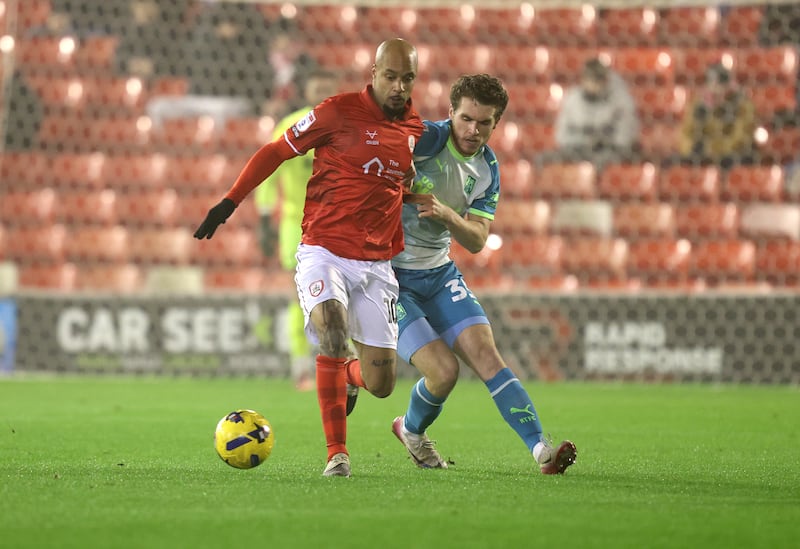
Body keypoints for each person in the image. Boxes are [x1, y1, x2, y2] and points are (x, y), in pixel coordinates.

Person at [194, 38, 424, 478]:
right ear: (372, 73)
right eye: (390, 76)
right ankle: (337, 454)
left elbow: (398, 182)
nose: (398, 86)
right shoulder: (336, 111)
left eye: (407, 78)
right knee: (332, 332)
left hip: (376, 264)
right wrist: (230, 201)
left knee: (381, 383)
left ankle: (347, 377)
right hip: (323, 249)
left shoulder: (414, 128)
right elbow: (275, 151)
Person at [382, 74, 577, 474]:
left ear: (496, 123)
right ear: (451, 113)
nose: (473, 130)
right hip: (392, 278)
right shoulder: (424, 140)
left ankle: (542, 450)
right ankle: (410, 429)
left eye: (484, 123)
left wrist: (447, 214)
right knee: (445, 373)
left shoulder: (488, 169)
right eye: (466, 118)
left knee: (488, 357)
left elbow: (476, 241)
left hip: (439, 275)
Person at [254, 69, 341, 392]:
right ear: (305, 89)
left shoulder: (347, 125)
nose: (321, 89)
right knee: (300, 298)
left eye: (327, 84)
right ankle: (302, 370)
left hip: (339, 223)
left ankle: (345, 366)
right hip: (297, 223)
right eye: (316, 83)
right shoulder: (291, 125)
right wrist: (265, 219)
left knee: (343, 296)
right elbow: (268, 170)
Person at [538, 58, 639, 170]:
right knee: (543, 159)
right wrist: (585, 141)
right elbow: (561, 136)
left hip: (607, 151)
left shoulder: (621, 100)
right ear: (583, 79)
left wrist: (604, 141)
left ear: (605, 80)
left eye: (598, 80)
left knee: (605, 163)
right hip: (577, 149)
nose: (594, 85)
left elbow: (624, 137)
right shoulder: (572, 99)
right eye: (590, 79)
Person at [677, 63, 756, 168]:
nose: (715, 89)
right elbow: (685, 133)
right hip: (700, 155)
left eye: (719, 85)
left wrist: (711, 148)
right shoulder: (698, 104)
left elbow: (740, 139)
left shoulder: (741, 104)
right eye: (711, 84)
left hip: (728, 156)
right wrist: (691, 147)